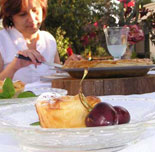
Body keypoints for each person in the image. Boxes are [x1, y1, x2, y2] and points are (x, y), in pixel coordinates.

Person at [0, 0, 81, 84]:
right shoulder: (2, 40)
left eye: (35, 11)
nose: (32, 19)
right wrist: (14, 67)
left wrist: (69, 68)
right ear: (10, 16)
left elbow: (57, 77)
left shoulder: (49, 40)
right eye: (23, 14)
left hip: (51, 97)